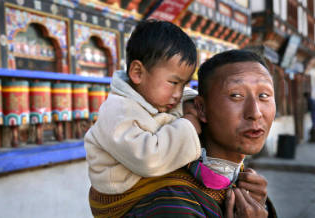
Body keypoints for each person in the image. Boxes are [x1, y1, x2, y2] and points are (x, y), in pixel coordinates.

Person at [123, 49, 277, 217]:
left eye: (264, 95)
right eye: (236, 95)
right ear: (201, 108)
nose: (255, 112)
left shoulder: (245, 187)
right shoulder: (172, 204)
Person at [84, 19, 202, 197]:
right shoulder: (117, 111)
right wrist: (189, 125)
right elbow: (149, 159)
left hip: (147, 183)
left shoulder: (160, 100)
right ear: (137, 73)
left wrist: (196, 102)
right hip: (121, 193)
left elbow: (186, 98)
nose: (178, 93)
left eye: (184, 84)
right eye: (173, 82)